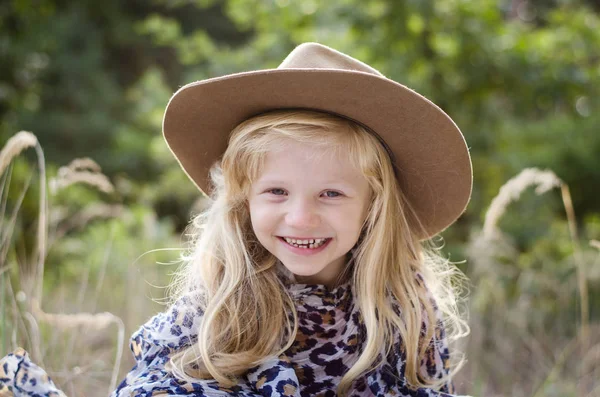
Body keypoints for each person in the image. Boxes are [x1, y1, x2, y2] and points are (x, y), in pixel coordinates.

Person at [0, 42, 472, 397]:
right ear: (244, 200)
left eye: (331, 193)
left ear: (373, 205)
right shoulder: (222, 299)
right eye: (276, 192)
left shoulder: (405, 307)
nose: (301, 217)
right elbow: (159, 384)